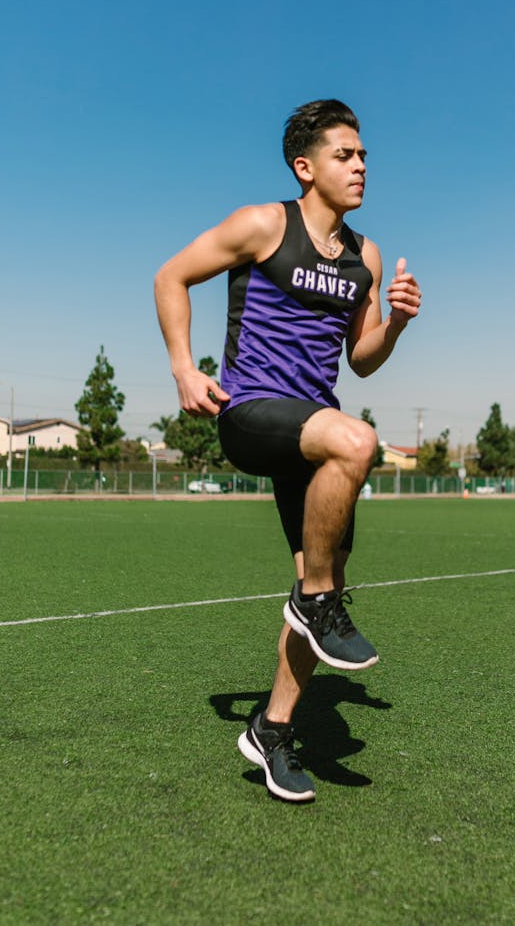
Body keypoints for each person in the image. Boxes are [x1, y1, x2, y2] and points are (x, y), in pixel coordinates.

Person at [154, 99, 421, 802]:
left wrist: (393, 323)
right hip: (252, 414)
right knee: (356, 441)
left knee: (321, 577)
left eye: (364, 154)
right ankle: (316, 601)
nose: (360, 165)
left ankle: (272, 728)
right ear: (306, 167)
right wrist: (184, 366)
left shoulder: (363, 255)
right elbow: (170, 276)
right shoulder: (264, 224)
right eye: (345, 154)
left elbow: (359, 360)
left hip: (313, 436)